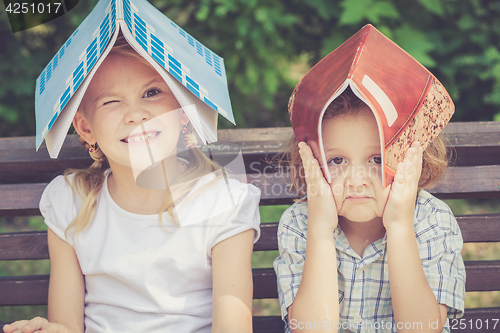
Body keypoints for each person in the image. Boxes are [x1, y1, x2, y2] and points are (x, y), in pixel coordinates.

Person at [3, 37, 260, 333]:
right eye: (112, 101)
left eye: (151, 93)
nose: (136, 114)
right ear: (86, 128)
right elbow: (67, 324)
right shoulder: (71, 201)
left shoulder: (221, 202)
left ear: (183, 110)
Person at [273, 88, 465, 332]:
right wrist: (321, 227)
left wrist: (399, 226)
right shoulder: (299, 223)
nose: (356, 180)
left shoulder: (432, 219)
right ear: (311, 163)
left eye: (377, 159)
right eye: (337, 160)